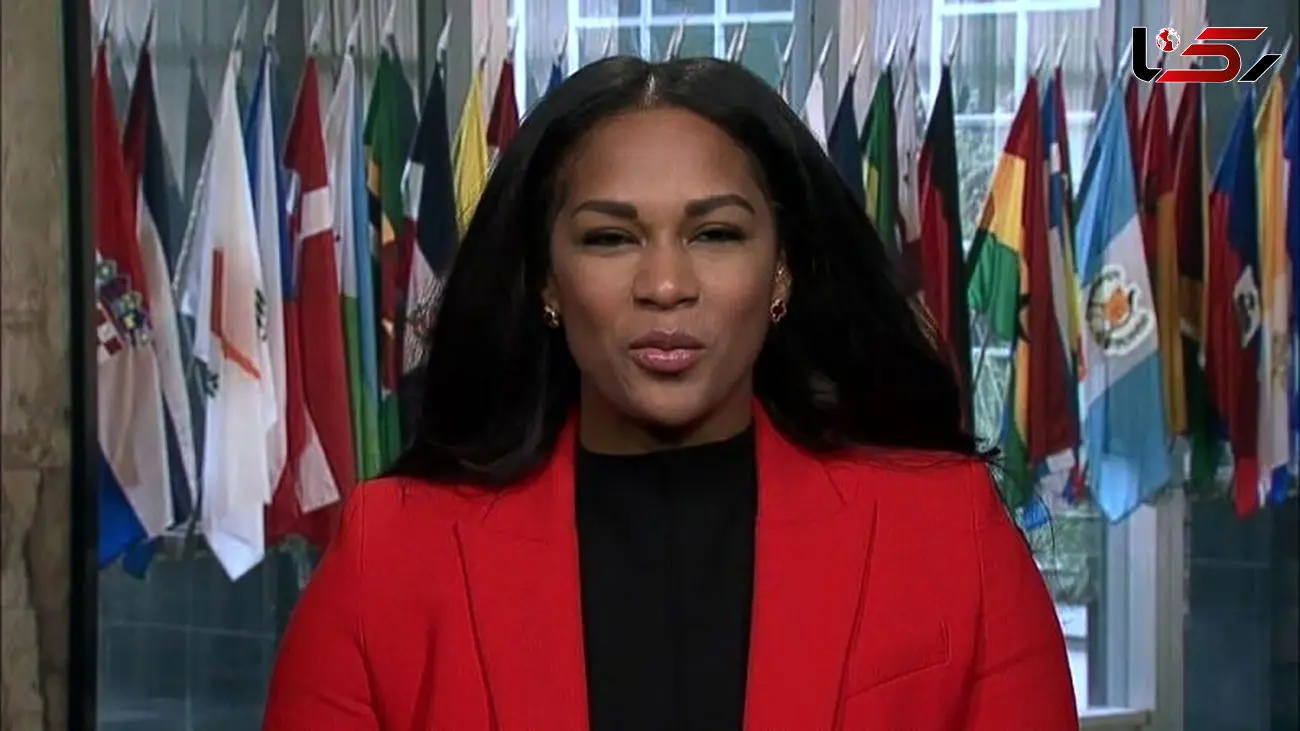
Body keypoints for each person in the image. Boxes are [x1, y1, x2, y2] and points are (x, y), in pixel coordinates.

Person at [263, 56, 1077, 730]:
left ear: (781, 270)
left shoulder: (947, 529)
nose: (664, 284)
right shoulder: (390, 556)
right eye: (610, 238)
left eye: (715, 233)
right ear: (547, 279)